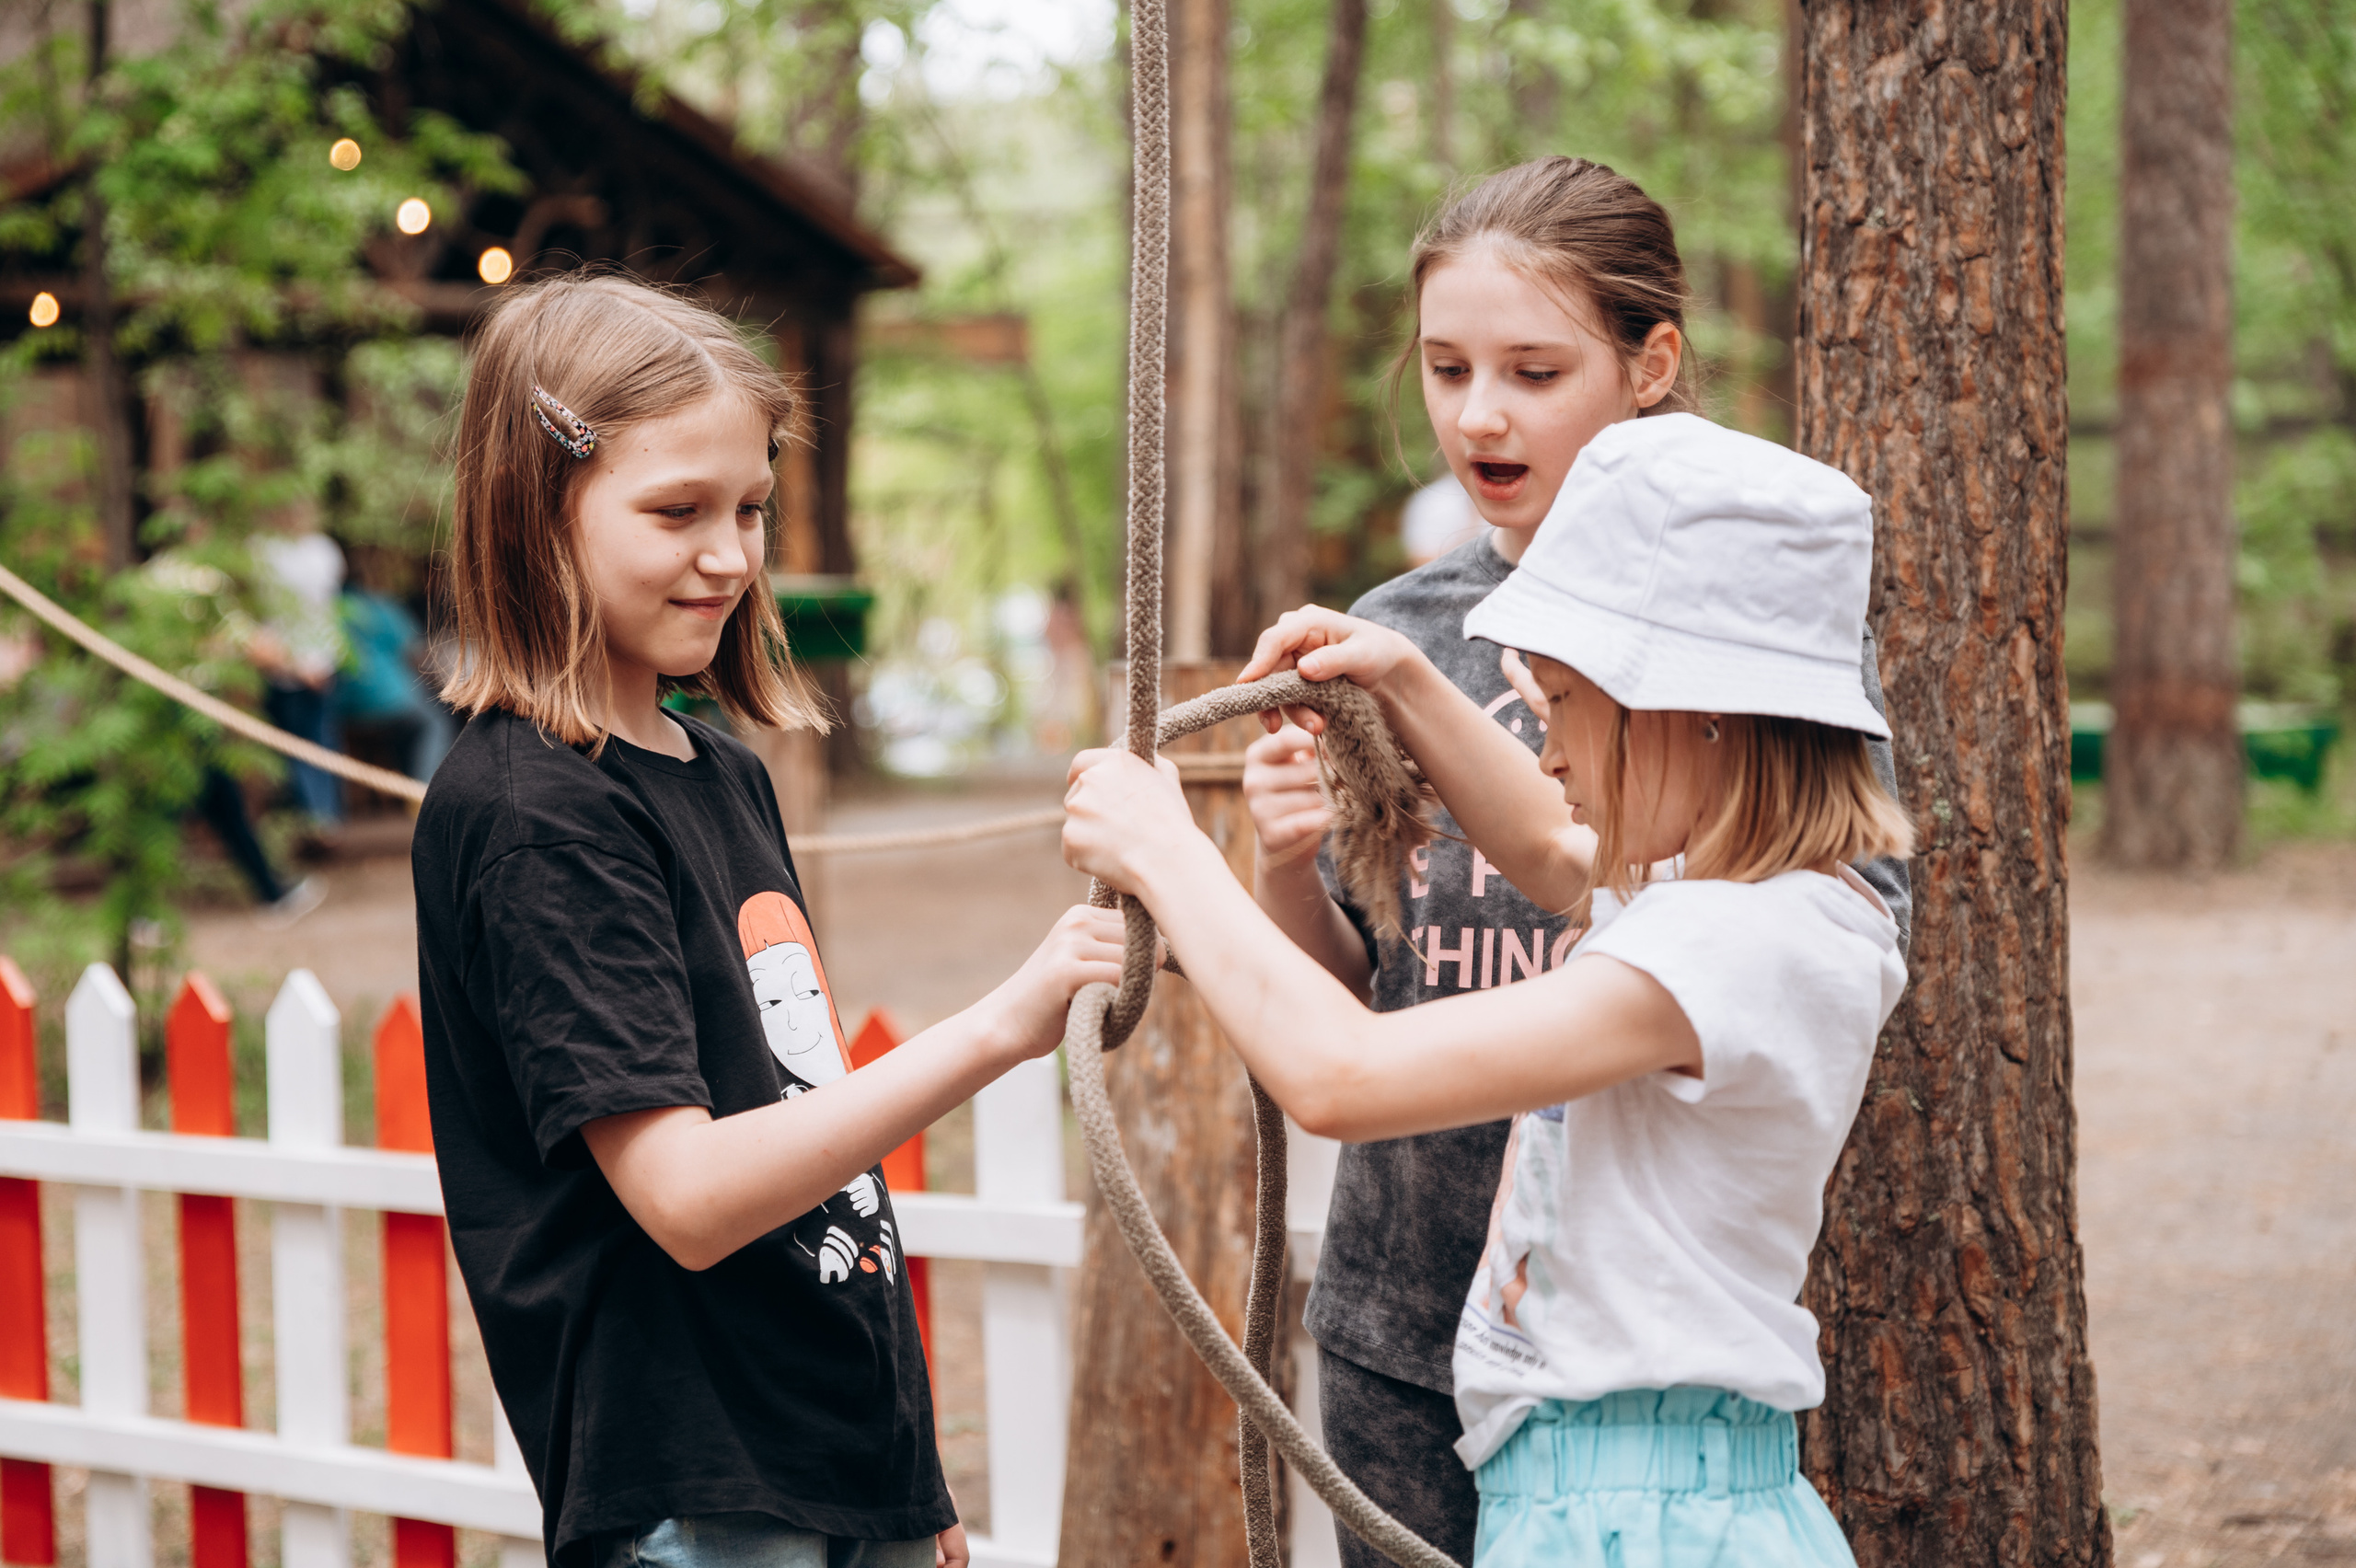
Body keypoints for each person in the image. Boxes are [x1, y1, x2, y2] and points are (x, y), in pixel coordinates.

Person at [1065, 411, 1911, 1566]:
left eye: (1561, 703)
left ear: (1695, 709)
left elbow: (1340, 1077)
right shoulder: (1752, 898)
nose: (1547, 754)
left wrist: (1166, 850)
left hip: (1639, 1523)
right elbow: (1556, 851)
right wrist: (1402, 678)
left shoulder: (1733, 942)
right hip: (1616, 1497)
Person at [1235, 155, 1912, 1567]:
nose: (1479, 413)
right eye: (1446, 369)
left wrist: (1149, 846)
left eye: (1534, 372)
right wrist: (1301, 834)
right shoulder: (1415, 625)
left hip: (1625, 1382)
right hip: (1420, 1311)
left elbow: (1374, 1041)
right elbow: (1530, 876)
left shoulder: (1757, 775)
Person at [410, 272, 1126, 1568]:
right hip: (697, 1483)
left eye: (749, 508)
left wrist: (904, 1473)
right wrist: (995, 1032)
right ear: (536, 509)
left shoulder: (720, 771)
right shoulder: (535, 815)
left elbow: (807, 1129)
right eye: (676, 510)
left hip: (834, 1459)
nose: (732, 556)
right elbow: (687, 1197)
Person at [250, 504, 349, 827]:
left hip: (302, 663)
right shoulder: (320, 550)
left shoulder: (268, 550)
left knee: (303, 745)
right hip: (298, 663)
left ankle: (320, 819)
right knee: (313, 742)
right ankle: (323, 817)